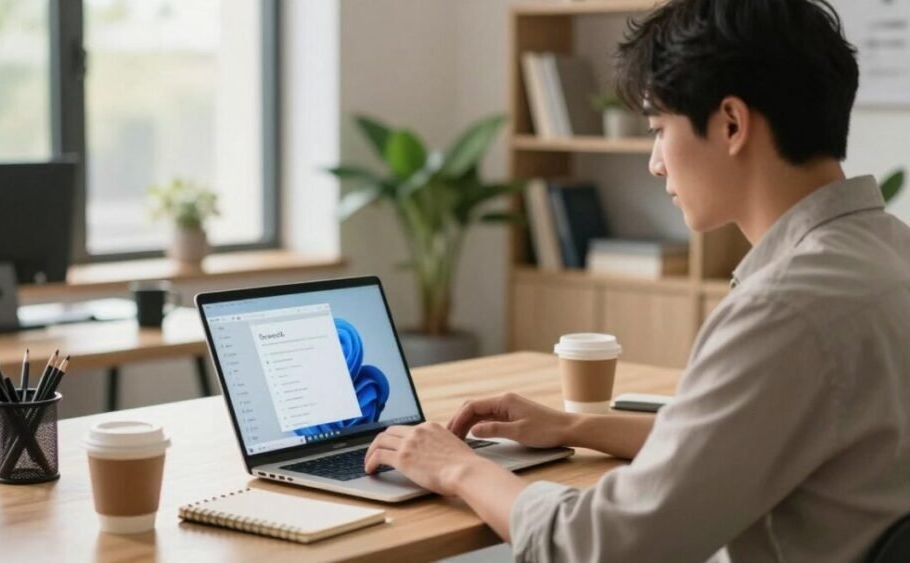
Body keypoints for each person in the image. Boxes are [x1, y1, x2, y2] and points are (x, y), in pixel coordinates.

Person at [363, 0, 910, 561]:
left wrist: (458, 468)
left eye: (659, 130)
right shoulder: (891, 254)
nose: (655, 163)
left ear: (731, 124)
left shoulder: (783, 311)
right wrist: (574, 426)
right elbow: (733, 443)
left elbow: (601, 547)